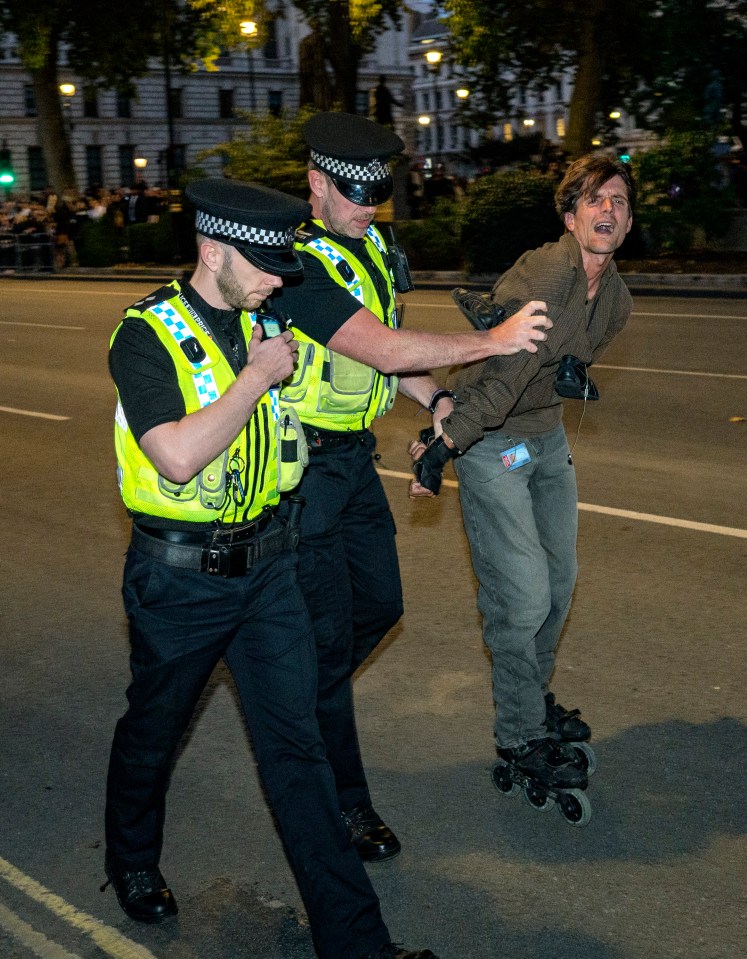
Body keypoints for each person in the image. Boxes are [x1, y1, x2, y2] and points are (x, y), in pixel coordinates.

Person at [103, 176, 439, 959]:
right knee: (154, 731)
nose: (276, 279)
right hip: (178, 580)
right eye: (260, 264)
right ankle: (131, 858)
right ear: (211, 249)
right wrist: (256, 378)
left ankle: (358, 948)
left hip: (268, 567)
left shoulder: (268, 312)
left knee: (298, 754)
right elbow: (177, 456)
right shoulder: (144, 333)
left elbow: (373, 348)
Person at [272, 111, 552, 862]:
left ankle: (295, 681)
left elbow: (391, 363)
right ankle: (345, 805)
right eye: (353, 193)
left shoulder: (368, 248)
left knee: (381, 607)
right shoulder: (295, 263)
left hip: (353, 463)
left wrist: (436, 399)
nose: (368, 206)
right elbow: (379, 342)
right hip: (300, 472)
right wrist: (491, 341)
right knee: (329, 642)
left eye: (376, 194)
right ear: (314, 184)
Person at [409, 155, 635, 807]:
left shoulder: (614, 298)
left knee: (559, 581)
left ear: (626, 222)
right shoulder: (547, 269)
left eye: (617, 202)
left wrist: (567, 370)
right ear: (570, 217)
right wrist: (446, 441)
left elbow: (561, 365)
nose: (605, 211)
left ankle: (530, 700)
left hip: (543, 435)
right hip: (489, 437)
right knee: (523, 593)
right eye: (592, 201)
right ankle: (517, 734)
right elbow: (503, 374)